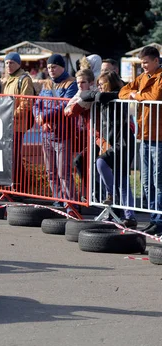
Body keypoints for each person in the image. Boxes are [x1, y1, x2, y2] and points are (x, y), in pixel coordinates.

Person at [81, 71, 137, 228]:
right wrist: (96, 92)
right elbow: (85, 95)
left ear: (111, 83)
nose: (99, 87)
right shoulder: (105, 95)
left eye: (102, 84)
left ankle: (128, 213)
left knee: (117, 174)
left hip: (124, 142)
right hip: (111, 142)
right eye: (98, 84)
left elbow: (100, 97)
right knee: (112, 172)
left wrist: (100, 94)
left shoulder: (119, 94)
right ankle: (114, 197)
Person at [118, 45, 162, 234]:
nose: (143, 66)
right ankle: (153, 217)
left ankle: (159, 219)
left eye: (145, 62)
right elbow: (123, 91)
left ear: (156, 61)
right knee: (146, 180)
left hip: (159, 135)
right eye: (141, 62)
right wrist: (134, 95)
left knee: (158, 180)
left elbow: (155, 96)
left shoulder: (160, 77)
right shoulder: (142, 77)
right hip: (144, 134)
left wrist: (137, 96)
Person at [32, 54, 79, 215]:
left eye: (54, 67)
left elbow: (65, 104)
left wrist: (45, 116)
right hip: (46, 133)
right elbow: (37, 103)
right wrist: (40, 118)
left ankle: (71, 203)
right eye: (49, 67)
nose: (51, 70)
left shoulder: (71, 83)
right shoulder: (46, 83)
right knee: (50, 171)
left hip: (63, 133)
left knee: (63, 172)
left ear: (62, 67)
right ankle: (57, 200)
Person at [2, 52, 36, 189]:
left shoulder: (24, 79)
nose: (9, 65)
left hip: (17, 124)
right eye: (6, 63)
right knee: (11, 156)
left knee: (14, 156)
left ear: (18, 64)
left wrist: (12, 115)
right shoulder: (8, 79)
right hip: (7, 123)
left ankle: (21, 185)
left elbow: (26, 103)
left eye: (12, 63)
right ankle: (17, 185)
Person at [64, 69, 95, 201]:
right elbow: (67, 109)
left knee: (85, 163)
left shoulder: (92, 93)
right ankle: (88, 194)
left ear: (91, 83)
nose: (80, 85)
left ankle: (92, 194)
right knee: (80, 162)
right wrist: (71, 106)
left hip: (97, 136)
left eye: (83, 82)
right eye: (78, 83)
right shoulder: (79, 93)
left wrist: (71, 107)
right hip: (86, 135)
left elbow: (73, 110)